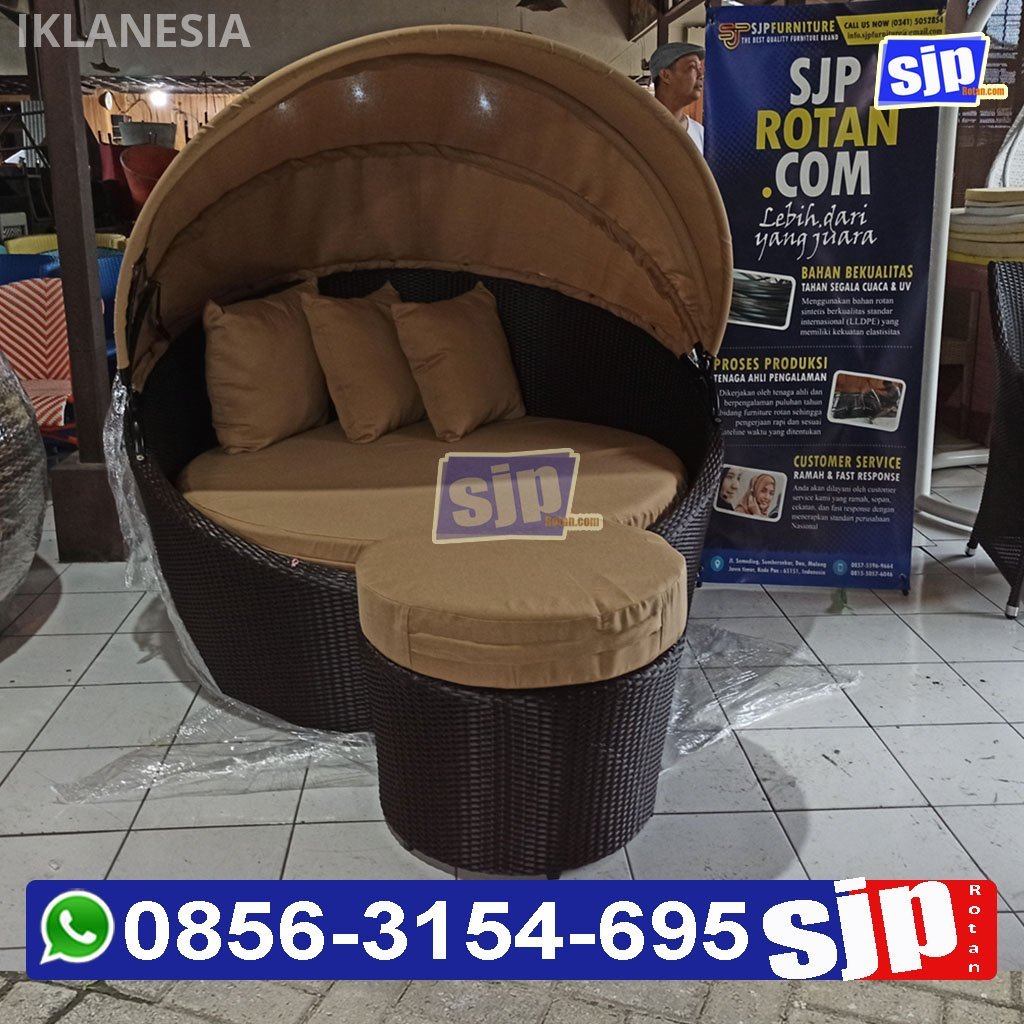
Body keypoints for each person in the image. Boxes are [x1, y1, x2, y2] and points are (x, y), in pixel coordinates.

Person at [649, 41, 706, 154]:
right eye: (692, 67)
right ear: (666, 75)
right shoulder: (638, 127)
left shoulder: (699, 133)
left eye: (700, 68)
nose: (701, 75)